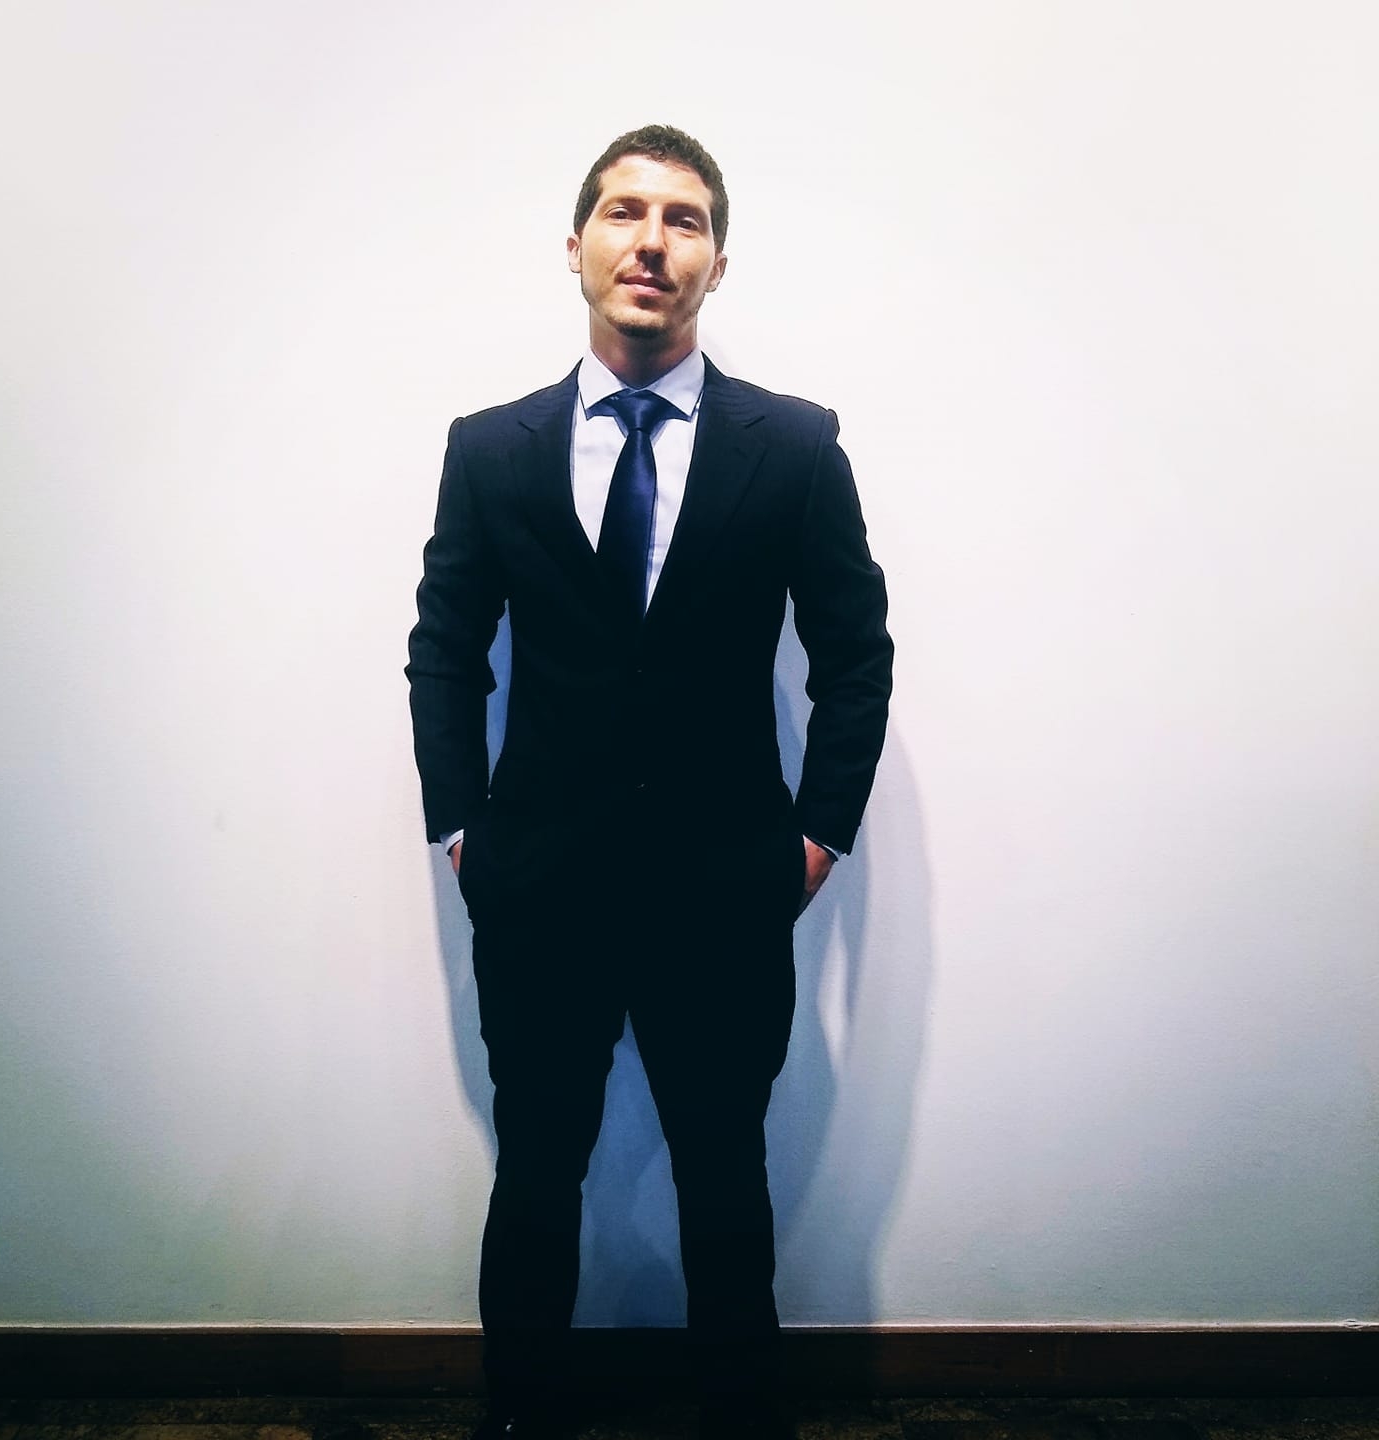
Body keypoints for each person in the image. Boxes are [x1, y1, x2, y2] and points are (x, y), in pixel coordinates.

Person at [406, 124, 892, 1440]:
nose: (652, 241)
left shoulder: (793, 447)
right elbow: (444, 651)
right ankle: (521, 1418)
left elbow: (856, 656)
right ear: (576, 246)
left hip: (724, 884)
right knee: (537, 1176)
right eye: (625, 212)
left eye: (684, 220)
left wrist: (817, 838)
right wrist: (463, 831)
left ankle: (744, 1419)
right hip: (540, 884)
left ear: (716, 264)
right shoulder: (491, 449)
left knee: (726, 1179)